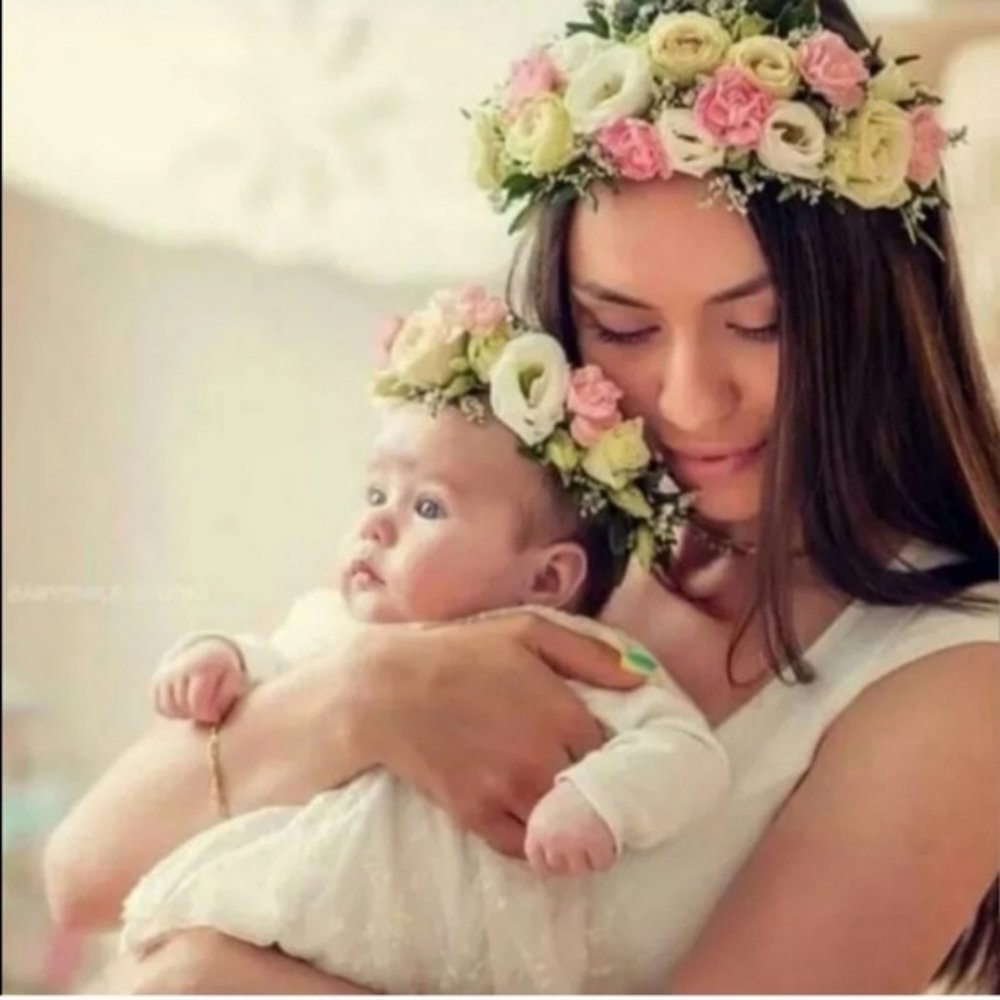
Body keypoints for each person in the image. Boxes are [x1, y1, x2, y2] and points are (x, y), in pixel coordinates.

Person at [45, 0, 998, 993]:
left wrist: (220, 979)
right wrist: (366, 693)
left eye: (757, 325)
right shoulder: (550, 519)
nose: (688, 400)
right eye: (623, 329)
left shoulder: (951, 680)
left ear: (872, 311)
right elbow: (83, 874)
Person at [119, 290, 730, 993]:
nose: (376, 526)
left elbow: (683, 749)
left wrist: (601, 800)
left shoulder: (568, 652)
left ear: (547, 578)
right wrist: (218, 659)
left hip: (459, 957)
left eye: (428, 506)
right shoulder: (342, 630)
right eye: (376, 494)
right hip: (281, 925)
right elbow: (274, 665)